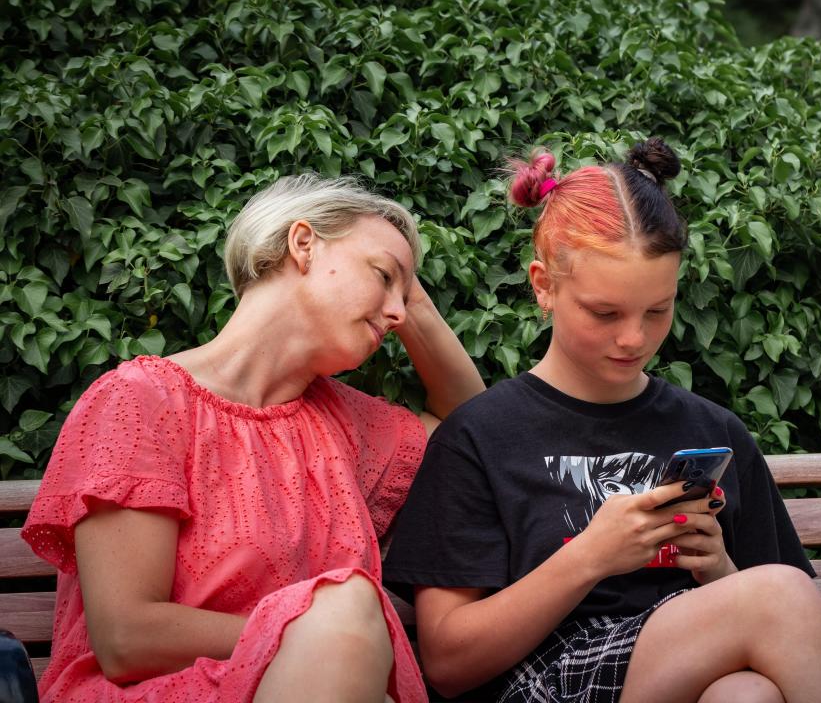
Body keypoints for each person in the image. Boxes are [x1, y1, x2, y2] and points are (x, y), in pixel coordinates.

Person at [382, 140, 821, 703]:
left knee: (745, 695)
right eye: (605, 313)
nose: (634, 338)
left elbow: (786, 630)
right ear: (543, 285)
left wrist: (717, 569)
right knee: (778, 598)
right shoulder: (478, 436)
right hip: (538, 680)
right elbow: (445, 662)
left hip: (673, 671)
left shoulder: (715, 432)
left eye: (657, 310)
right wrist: (590, 555)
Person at [21, 173, 485, 703]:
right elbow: (126, 638)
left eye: (407, 296)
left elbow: (469, 428)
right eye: (382, 276)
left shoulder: (345, 425)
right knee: (348, 604)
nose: (398, 311)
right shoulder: (141, 401)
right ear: (303, 244)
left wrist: (410, 296)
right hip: (149, 693)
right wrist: (328, 641)